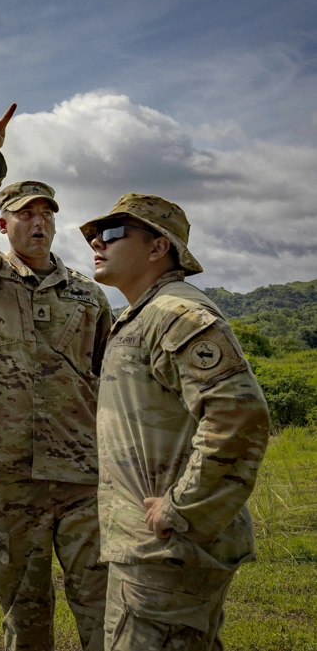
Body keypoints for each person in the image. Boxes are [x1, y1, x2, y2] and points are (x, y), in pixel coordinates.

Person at [0, 103, 112, 651]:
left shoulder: (89, 295)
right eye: (24, 214)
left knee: (104, 608)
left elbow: (110, 381)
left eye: (46, 214)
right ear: (3, 224)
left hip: (82, 473)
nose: (38, 222)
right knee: (26, 612)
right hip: (8, 475)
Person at [80, 195, 270, 651]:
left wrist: (182, 509)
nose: (96, 243)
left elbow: (238, 413)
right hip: (152, 550)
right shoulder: (144, 313)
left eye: (111, 233)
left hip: (165, 549)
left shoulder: (175, 314)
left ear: (157, 247)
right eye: (94, 236)